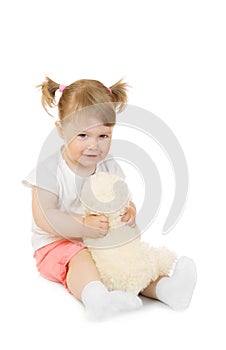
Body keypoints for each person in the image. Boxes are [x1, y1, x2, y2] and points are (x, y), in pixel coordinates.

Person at [23, 77, 197, 320]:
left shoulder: (108, 165)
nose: (94, 146)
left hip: (99, 240)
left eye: (103, 136)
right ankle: (96, 299)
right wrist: (82, 225)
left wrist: (129, 211)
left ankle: (167, 289)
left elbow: (120, 198)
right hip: (56, 246)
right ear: (61, 130)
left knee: (128, 260)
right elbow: (44, 217)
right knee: (81, 257)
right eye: (82, 135)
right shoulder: (49, 170)